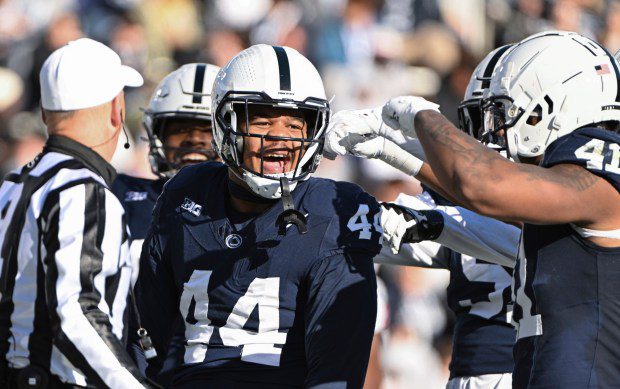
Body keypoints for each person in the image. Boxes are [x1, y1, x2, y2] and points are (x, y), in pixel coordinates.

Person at [379, 31, 620, 387]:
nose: (492, 136)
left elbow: (484, 187)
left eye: (501, 116)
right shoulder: (559, 191)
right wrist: (400, 156)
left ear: (549, 107)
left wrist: (421, 115)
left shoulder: (597, 171)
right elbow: (495, 210)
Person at [134, 44, 382, 388]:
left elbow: (337, 370)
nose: (279, 138)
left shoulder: (335, 209)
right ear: (224, 123)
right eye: (262, 121)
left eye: (296, 124)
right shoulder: (186, 192)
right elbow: (149, 331)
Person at [325, 45, 520, 389]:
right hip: (466, 374)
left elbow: (520, 235)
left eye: (502, 119)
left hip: (535, 371)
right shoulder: (470, 201)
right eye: (485, 120)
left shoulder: (578, 191)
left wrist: (397, 149)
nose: (490, 135)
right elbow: (396, 232)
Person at [0, 38, 150, 388]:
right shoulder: (83, 191)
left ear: (44, 115)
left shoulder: (12, 185)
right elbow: (76, 312)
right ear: (117, 109)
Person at [111, 63, 221, 385]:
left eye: (208, 130)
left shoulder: (255, 212)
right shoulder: (118, 196)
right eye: (181, 129)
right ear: (157, 133)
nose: (194, 141)